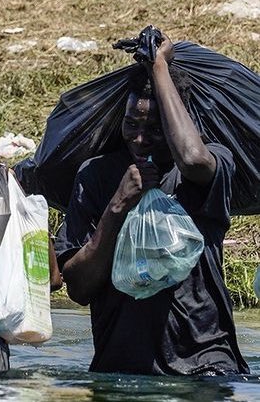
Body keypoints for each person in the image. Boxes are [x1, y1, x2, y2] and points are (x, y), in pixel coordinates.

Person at [55, 32, 248, 375]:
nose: (140, 140)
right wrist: (117, 206)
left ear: (179, 122)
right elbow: (79, 289)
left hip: (205, 368)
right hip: (123, 369)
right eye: (132, 125)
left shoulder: (211, 167)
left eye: (155, 129)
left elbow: (190, 157)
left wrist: (159, 65)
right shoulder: (97, 176)